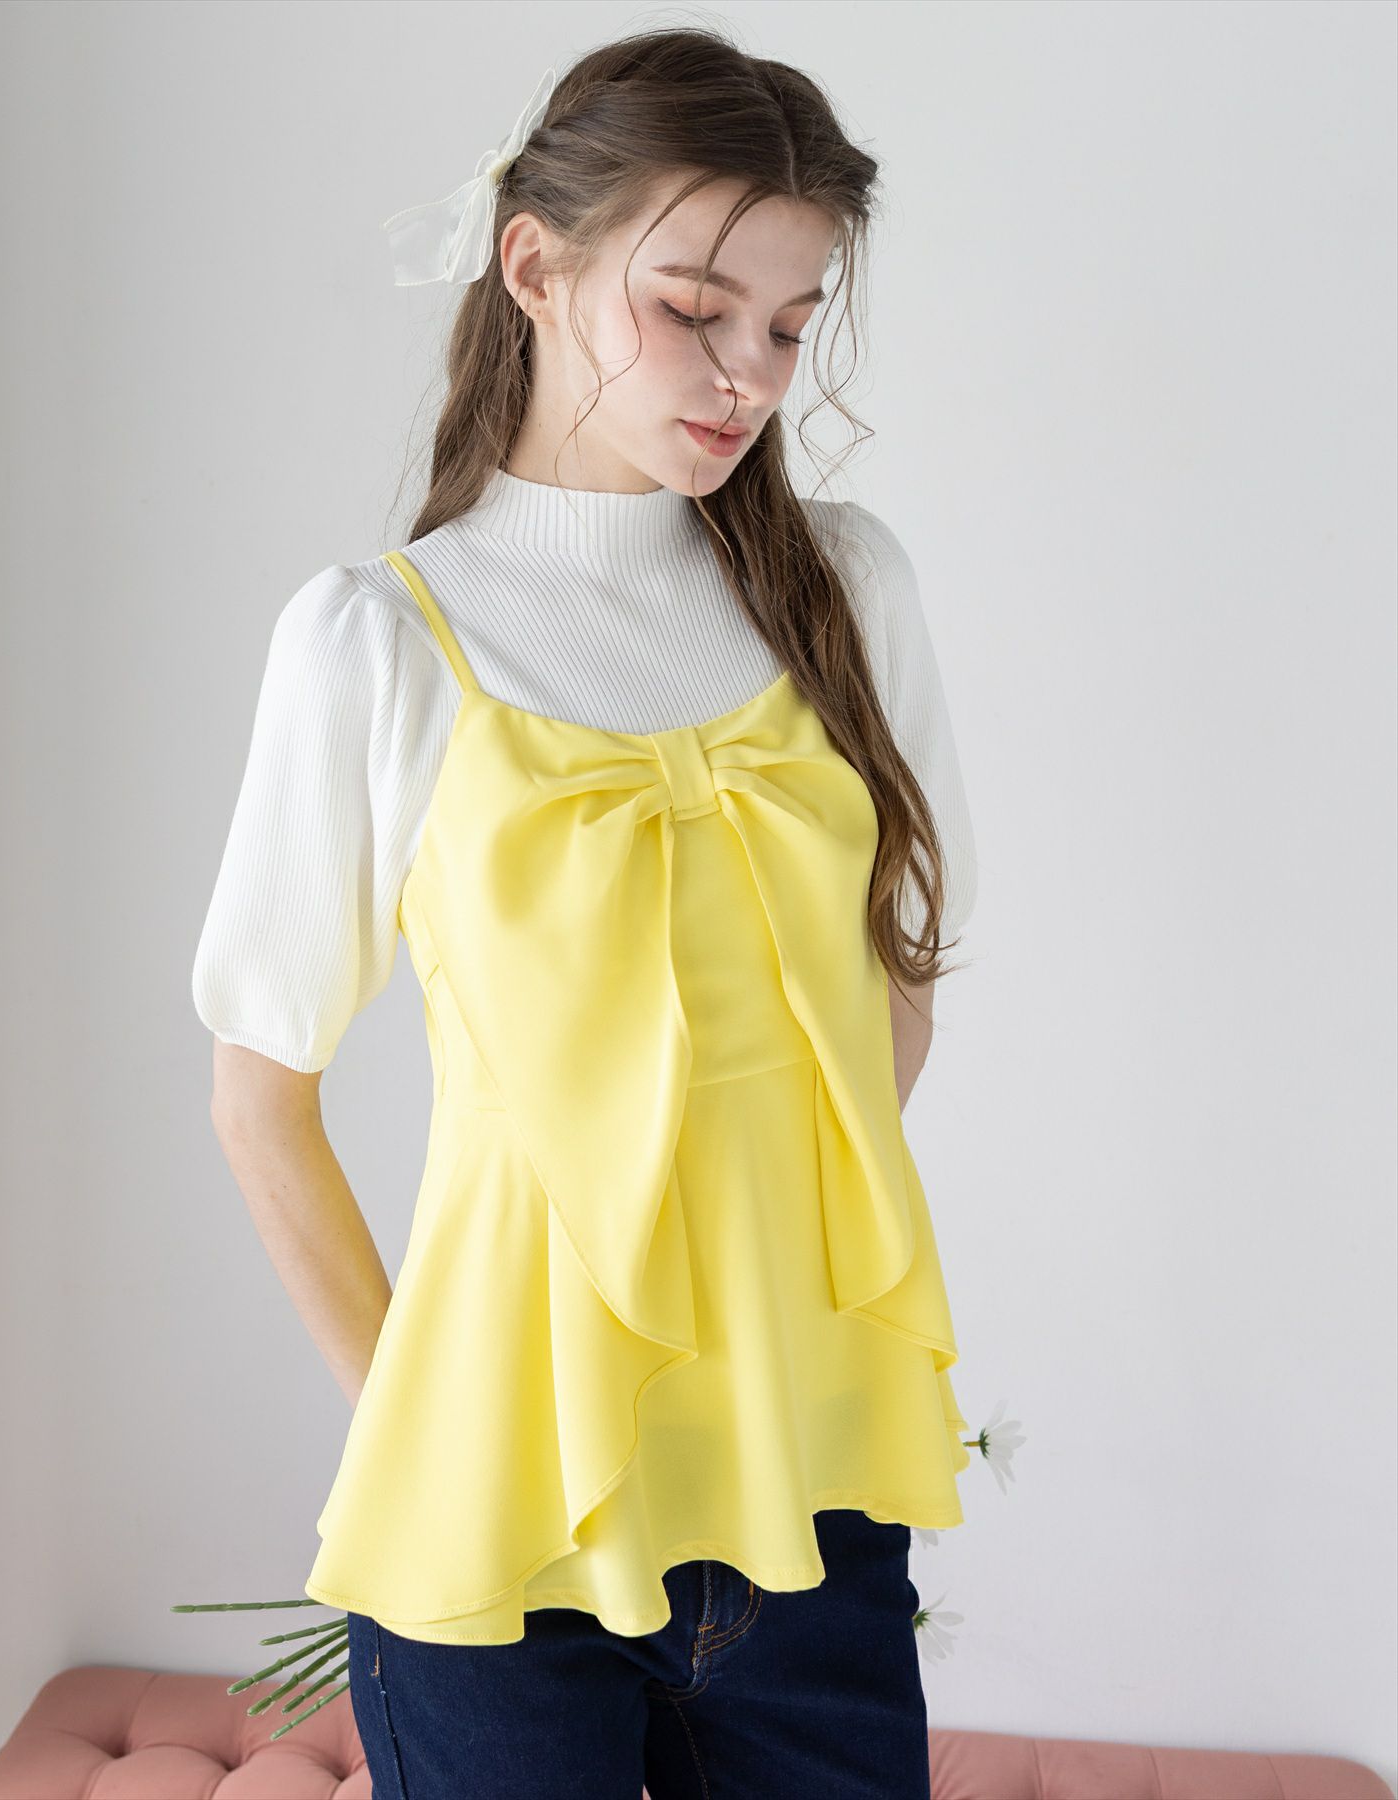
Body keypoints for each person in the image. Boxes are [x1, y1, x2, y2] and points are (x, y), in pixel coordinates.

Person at [191, 24, 980, 1799]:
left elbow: (898, 974)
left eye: (791, 326)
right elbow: (259, 1096)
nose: (750, 373)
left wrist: (755, 1264)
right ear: (534, 268)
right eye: (696, 308)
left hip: (808, 1492)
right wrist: (422, 1423)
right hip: (495, 1522)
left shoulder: (848, 593)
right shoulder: (376, 644)